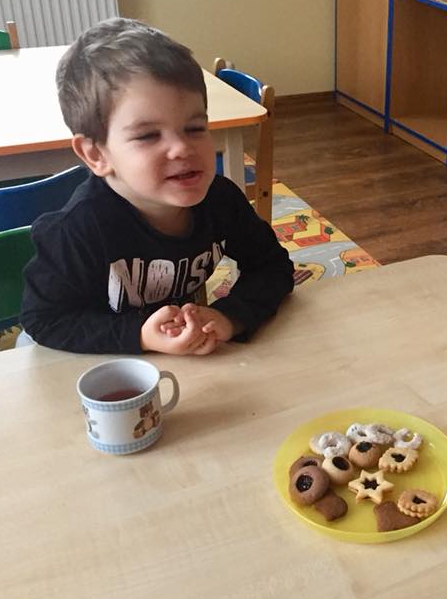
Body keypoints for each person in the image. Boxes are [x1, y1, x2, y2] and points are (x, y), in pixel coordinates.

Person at [21, 18, 294, 355]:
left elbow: (273, 267)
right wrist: (140, 335)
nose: (182, 148)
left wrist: (229, 316)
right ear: (96, 154)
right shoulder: (77, 230)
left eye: (195, 128)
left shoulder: (221, 200)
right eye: (148, 135)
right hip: (96, 361)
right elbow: (44, 320)